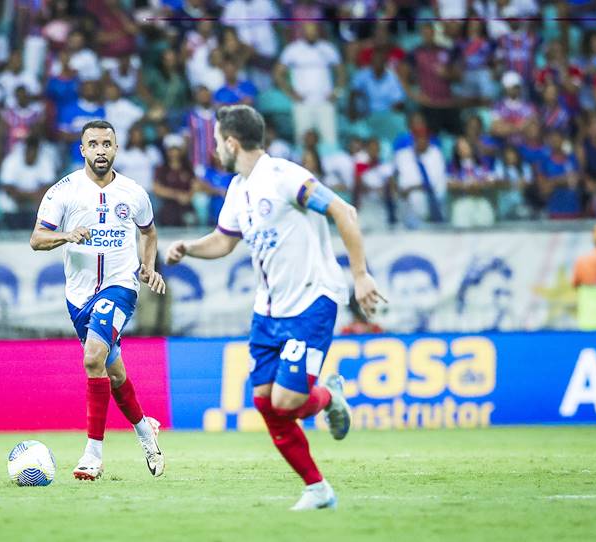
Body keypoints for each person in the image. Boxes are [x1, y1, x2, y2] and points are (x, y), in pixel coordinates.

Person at [165, 105, 384, 511]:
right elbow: (224, 240)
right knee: (266, 402)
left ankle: (327, 398)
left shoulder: (286, 178)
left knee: (284, 402)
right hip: (267, 311)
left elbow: (343, 211)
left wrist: (361, 275)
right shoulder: (237, 189)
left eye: (216, 142)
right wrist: (190, 249)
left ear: (232, 142)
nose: (213, 150)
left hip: (311, 301)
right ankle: (318, 488)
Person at [30, 120, 167, 481]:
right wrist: (66, 235)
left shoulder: (134, 192)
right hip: (78, 296)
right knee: (114, 370)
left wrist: (147, 267)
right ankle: (144, 430)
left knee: (93, 358)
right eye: (94, 144)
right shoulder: (64, 191)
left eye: (107, 143)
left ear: (116, 149)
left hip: (120, 286)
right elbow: (36, 239)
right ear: (83, 150)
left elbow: (149, 232)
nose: (101, 150)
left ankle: (93, 454)